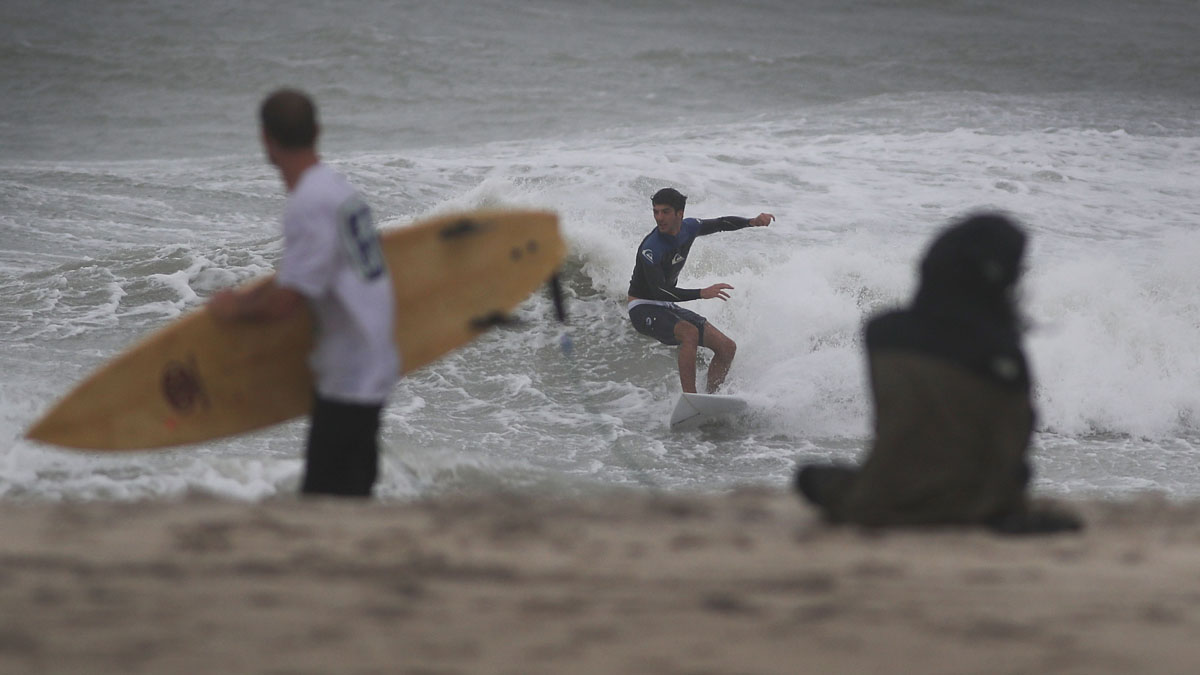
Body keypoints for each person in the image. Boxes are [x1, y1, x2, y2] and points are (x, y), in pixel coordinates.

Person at [795, 213, 1081, 534]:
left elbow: (899, 426)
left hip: (879, 501)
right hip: (978, 506)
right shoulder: (1002, 353)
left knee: (810, 477)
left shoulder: (882, 333)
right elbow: (1012, 447)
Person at [209, 89, 399, 497]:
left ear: (265, 139)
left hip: (351, 374)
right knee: (351, 494)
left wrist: (233, 307)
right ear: (317, 131)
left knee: (324, 500)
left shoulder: (309, 203)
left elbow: (284, 301)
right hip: (372, 359)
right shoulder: (339, 189)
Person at [626, 187, 774, 393]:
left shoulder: (689, 227)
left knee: (727, 348)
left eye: (665, 211)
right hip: (642, 306)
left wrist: (751, 221)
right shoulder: (651, 248)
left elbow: (721, 223)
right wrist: (701, 293)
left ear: (680, 213)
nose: (659, 217)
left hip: (666, 305)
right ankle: (690, 398)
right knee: (689, 332)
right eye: (655, 211)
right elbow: (659, 291)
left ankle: (710, 398)